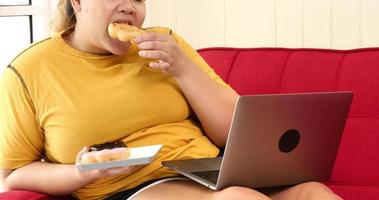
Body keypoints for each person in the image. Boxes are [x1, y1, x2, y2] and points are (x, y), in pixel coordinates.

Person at [0, 0, 343, 199]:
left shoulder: (164, 42)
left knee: (313, 193)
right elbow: (12, 174)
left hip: (210, 170)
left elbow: (233, 133)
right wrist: (80, 174)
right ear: (76, 1)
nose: (129, 7)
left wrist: (182, 68)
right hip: (132, 187)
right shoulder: (30, 71)